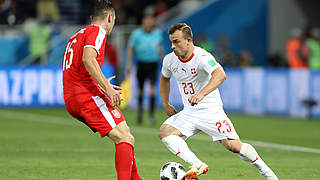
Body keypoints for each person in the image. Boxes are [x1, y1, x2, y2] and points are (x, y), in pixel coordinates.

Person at [158, 23, 278, 180]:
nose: (173, 46)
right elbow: (164, 78)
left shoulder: (203, 57)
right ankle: (196, 164)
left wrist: (201, 94)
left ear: (189, 40)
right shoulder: (169, 60)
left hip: (211, 111)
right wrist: (165, 103)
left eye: (177, 41)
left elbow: (220, 74)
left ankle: (268, 173)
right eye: (171, 42)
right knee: (165, 132)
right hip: (189, 112)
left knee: (234, 146)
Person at [62, 1, 141, 180]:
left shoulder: (76, 36)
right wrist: (107, 88)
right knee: (123, 138)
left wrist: (102, 83)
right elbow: (88, 60)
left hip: (73, 96)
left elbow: (76, 69)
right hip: (86, 95)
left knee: (127, 136)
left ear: (91, 18)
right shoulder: (98, 31)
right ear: (110, 18)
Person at [126, 14, 163, 125]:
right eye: (146, 22)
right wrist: (128, 63)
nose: (148, 24)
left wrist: (161, 55)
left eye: (150, 22)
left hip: (153, 64)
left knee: (152, 89)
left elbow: (159, 47)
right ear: (143, 23)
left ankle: (151, 116)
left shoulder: (157, 33)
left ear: (152, 23)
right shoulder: (137, 34)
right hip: (141, 64)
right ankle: (140, 113)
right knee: (140, 90)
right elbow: (130, 48)